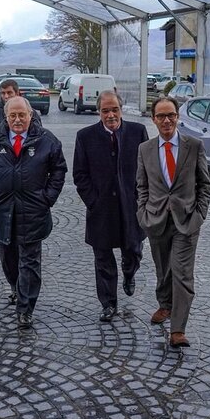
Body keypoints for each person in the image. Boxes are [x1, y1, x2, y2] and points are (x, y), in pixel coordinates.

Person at [0, 96, 67, 329]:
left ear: (30, 115)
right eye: (12, 115)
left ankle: (26, 307)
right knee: (8, 258)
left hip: (33, 211)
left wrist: (47, 198)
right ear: (6, 117)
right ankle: (16, 288)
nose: (17, 120)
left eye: (22, 115)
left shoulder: (47, 140)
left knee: (30, 261)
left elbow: (58, 170)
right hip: (1, 210)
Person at [136, 96, 210, 348]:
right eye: (161, 116)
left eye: (171, 115)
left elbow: (204, 184)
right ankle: (165, 304)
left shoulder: (194, 146)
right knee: (163, 269)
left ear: (178, 116)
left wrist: (199, 214)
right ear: (154, 119)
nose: (166, 120)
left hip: (187, 221)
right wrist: (143, 213)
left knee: (181, 273)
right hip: (156, 220)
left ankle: (178, 329)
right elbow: (142, 186)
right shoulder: (145, 149)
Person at [73, 90, 149, 323]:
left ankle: (129, 273)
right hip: (101, 210)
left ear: (121, 110)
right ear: (99, 112)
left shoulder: (137, 132)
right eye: (106, 110)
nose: (110, 115)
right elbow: (80, 174)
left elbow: (147, 168)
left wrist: (142, 199)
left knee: (133, 251)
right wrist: (93, 201)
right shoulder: (85, 136)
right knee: (103, 259)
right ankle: (108, 303)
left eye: (114, 109)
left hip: (131, 207)